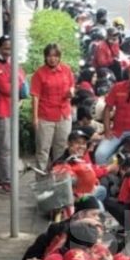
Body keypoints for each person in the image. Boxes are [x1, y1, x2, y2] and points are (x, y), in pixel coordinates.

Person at [31, 43, 76, 171]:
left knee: (61, 149)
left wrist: (71, 92)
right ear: (45, 57)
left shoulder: (66, 70)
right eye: (50, 56)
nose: (53, 59)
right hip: (46, 116)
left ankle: (59, 182)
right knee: (42, 150)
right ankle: (40, 183)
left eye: (55, 56)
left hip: (64, 114)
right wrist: (35, 118)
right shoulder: (39, 74)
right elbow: (35, 96)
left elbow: (72, 85)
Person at [0, 36, 24, 192]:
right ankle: (7, 180)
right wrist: (17, 80)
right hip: (0, 110)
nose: (9, 51)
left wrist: (16, 80)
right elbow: (7, 89)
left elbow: (20, 82)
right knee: (5, 147)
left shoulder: (11, 65)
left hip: (10, 109)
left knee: (7, 146)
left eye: (11, 48)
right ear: (0, 48)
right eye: (6, 48)